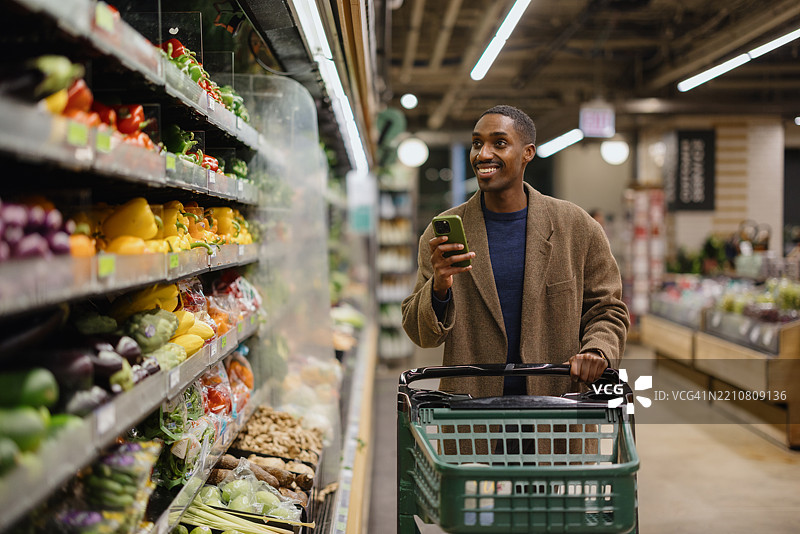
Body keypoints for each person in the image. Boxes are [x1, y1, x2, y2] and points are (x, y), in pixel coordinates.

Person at [401, 105, 629, 398]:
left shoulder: (576, 228)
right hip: (472, 419)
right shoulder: (441, 236)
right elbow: (421, 334)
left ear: (528, 153)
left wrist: (598, 349)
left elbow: (608, 308)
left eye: (499, 143)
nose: (483, 154)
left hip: (554, 409)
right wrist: (439, 288)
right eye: (476, 143)